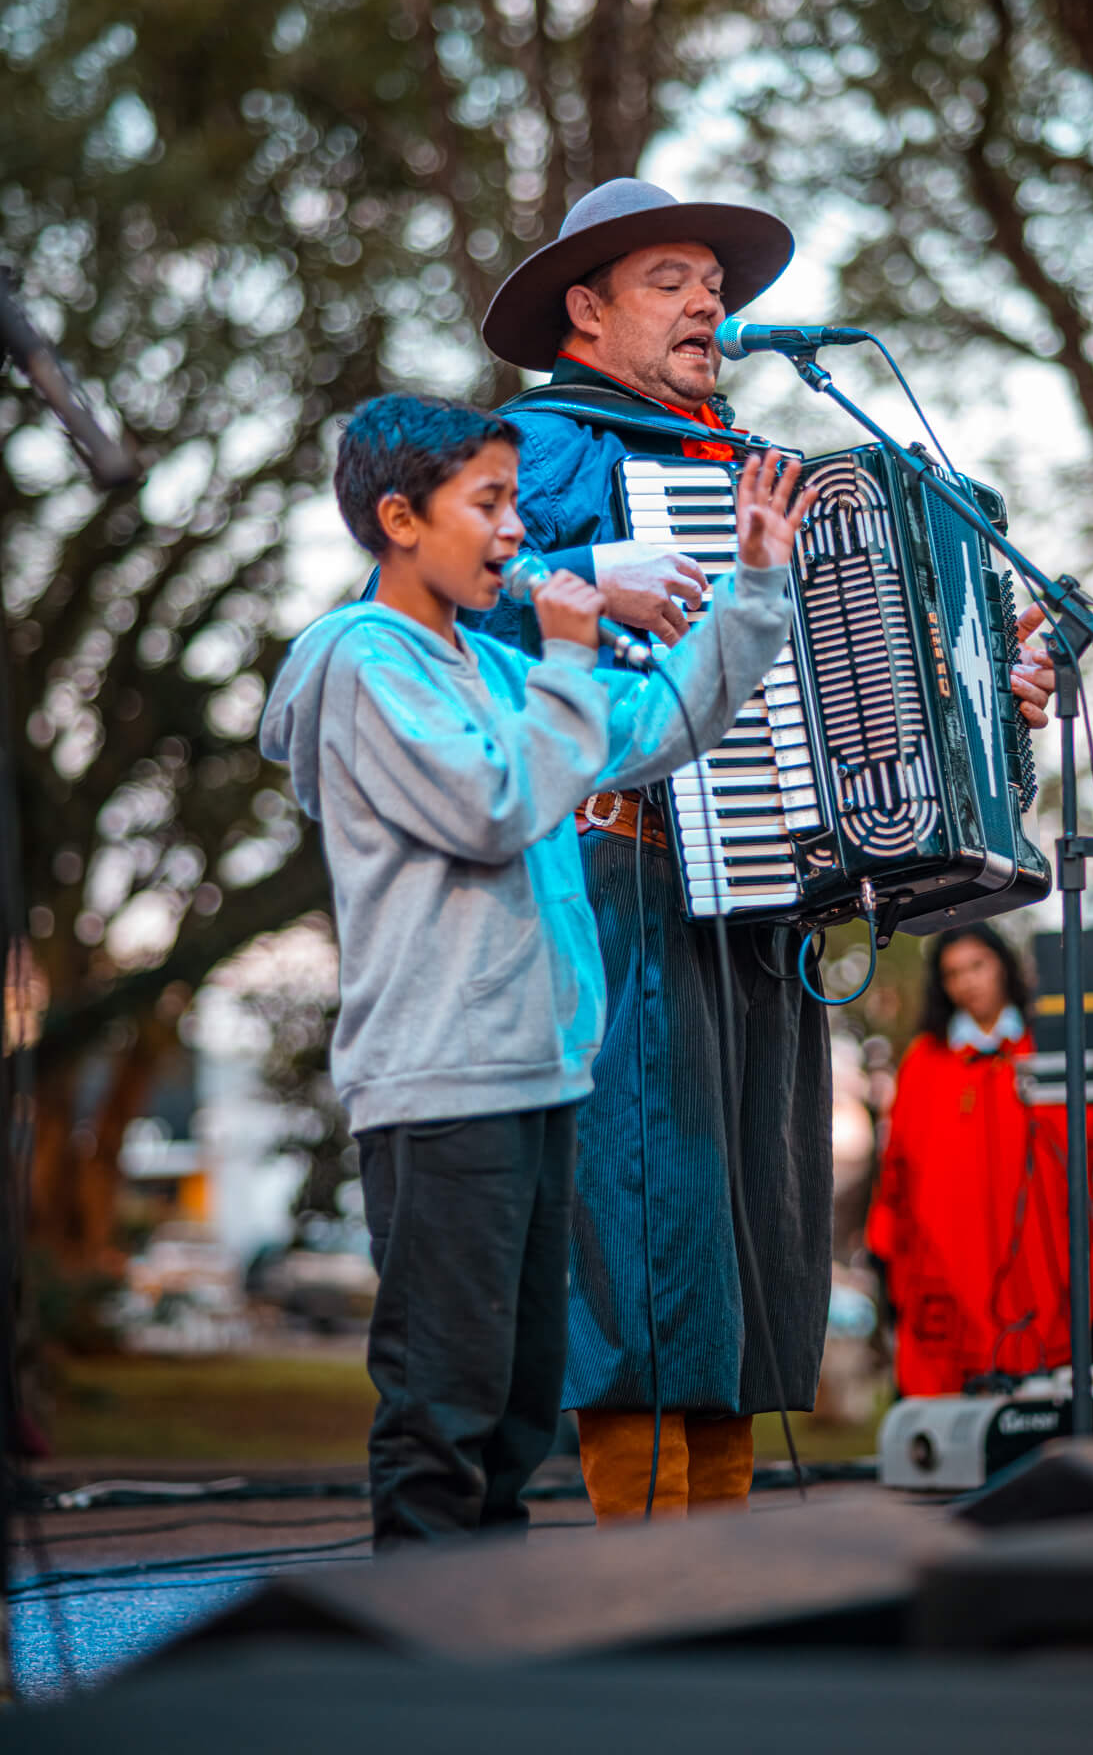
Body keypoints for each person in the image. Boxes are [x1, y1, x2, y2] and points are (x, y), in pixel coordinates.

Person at [473, 179, 1058, 1519]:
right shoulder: (542, 444)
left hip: (769, 895)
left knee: (748, 1241)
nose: (709, 302)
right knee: (646, 1224)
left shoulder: (759, 468)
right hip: (627, 873)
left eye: (713, 283)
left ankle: (722, 1565)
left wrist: (987, 692)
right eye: (669, 279)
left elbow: (863, 678)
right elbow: (433, 596)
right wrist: (582, 579)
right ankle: (651, 1571)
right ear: (585, 309)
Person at [260, 392, 811, 1544]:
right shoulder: (363, 662)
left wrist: (754, 589)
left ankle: (491, 1633)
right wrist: (564, 655)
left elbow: (660, 720)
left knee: (514, 1415)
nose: (519, 530)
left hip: (538, 1076)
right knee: (446, 1408)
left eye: (515, 501)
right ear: (400, 520)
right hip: (440, 1083)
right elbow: (494, 804)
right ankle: (428, 1644)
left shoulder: (494, 669)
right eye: (490, 503)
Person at [865, 925, 1093, 1396]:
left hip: (1042, 1248)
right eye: (953, 973)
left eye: (977, 966)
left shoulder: (1047, 1045)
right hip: (953, 1248)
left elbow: (1090, 1144)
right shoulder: (925, 1060)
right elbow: (899, 1164)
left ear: (1003, 965)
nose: (967, 982)